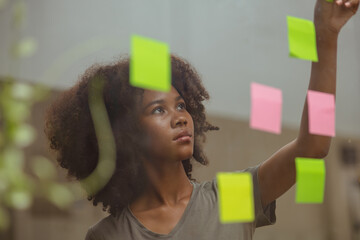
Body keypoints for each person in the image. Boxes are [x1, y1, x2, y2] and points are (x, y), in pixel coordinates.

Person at [43, 0, 359, 239]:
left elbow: (314, 147)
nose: (180, 117)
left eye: (181, 105)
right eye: (158, 110)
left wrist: (326, 36)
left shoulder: (232, 199)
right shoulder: (108, 236)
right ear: (124, 135)